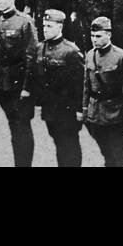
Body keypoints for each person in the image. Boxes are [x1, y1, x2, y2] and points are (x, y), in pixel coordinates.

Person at [0, 0, 38, 167]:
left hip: (20, 84)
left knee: (22, 127)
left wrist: (27, 88)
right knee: (13, 125)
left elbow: (31, 57)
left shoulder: (25, 22)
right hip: (3, 82)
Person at [31, 9, 85, 167]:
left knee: (69, 145)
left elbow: (80, 84)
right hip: (50, 108)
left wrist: (80, 110)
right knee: (58, 143)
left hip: (67, 109)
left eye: (49, 26)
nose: (45, 29)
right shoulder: (40, 48)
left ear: (60, 27)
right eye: (44, 25)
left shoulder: (71, 51)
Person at [81, 16, 123, 167]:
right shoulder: (90, 55)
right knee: (105, 152)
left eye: (98, 36)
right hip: (95, 113)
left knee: (118, 155)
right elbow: (86, 85)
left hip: (114, 113)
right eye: (92, 36)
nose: (94, 40)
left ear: (108, 35)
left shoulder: (121, 57)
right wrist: (84, 108)